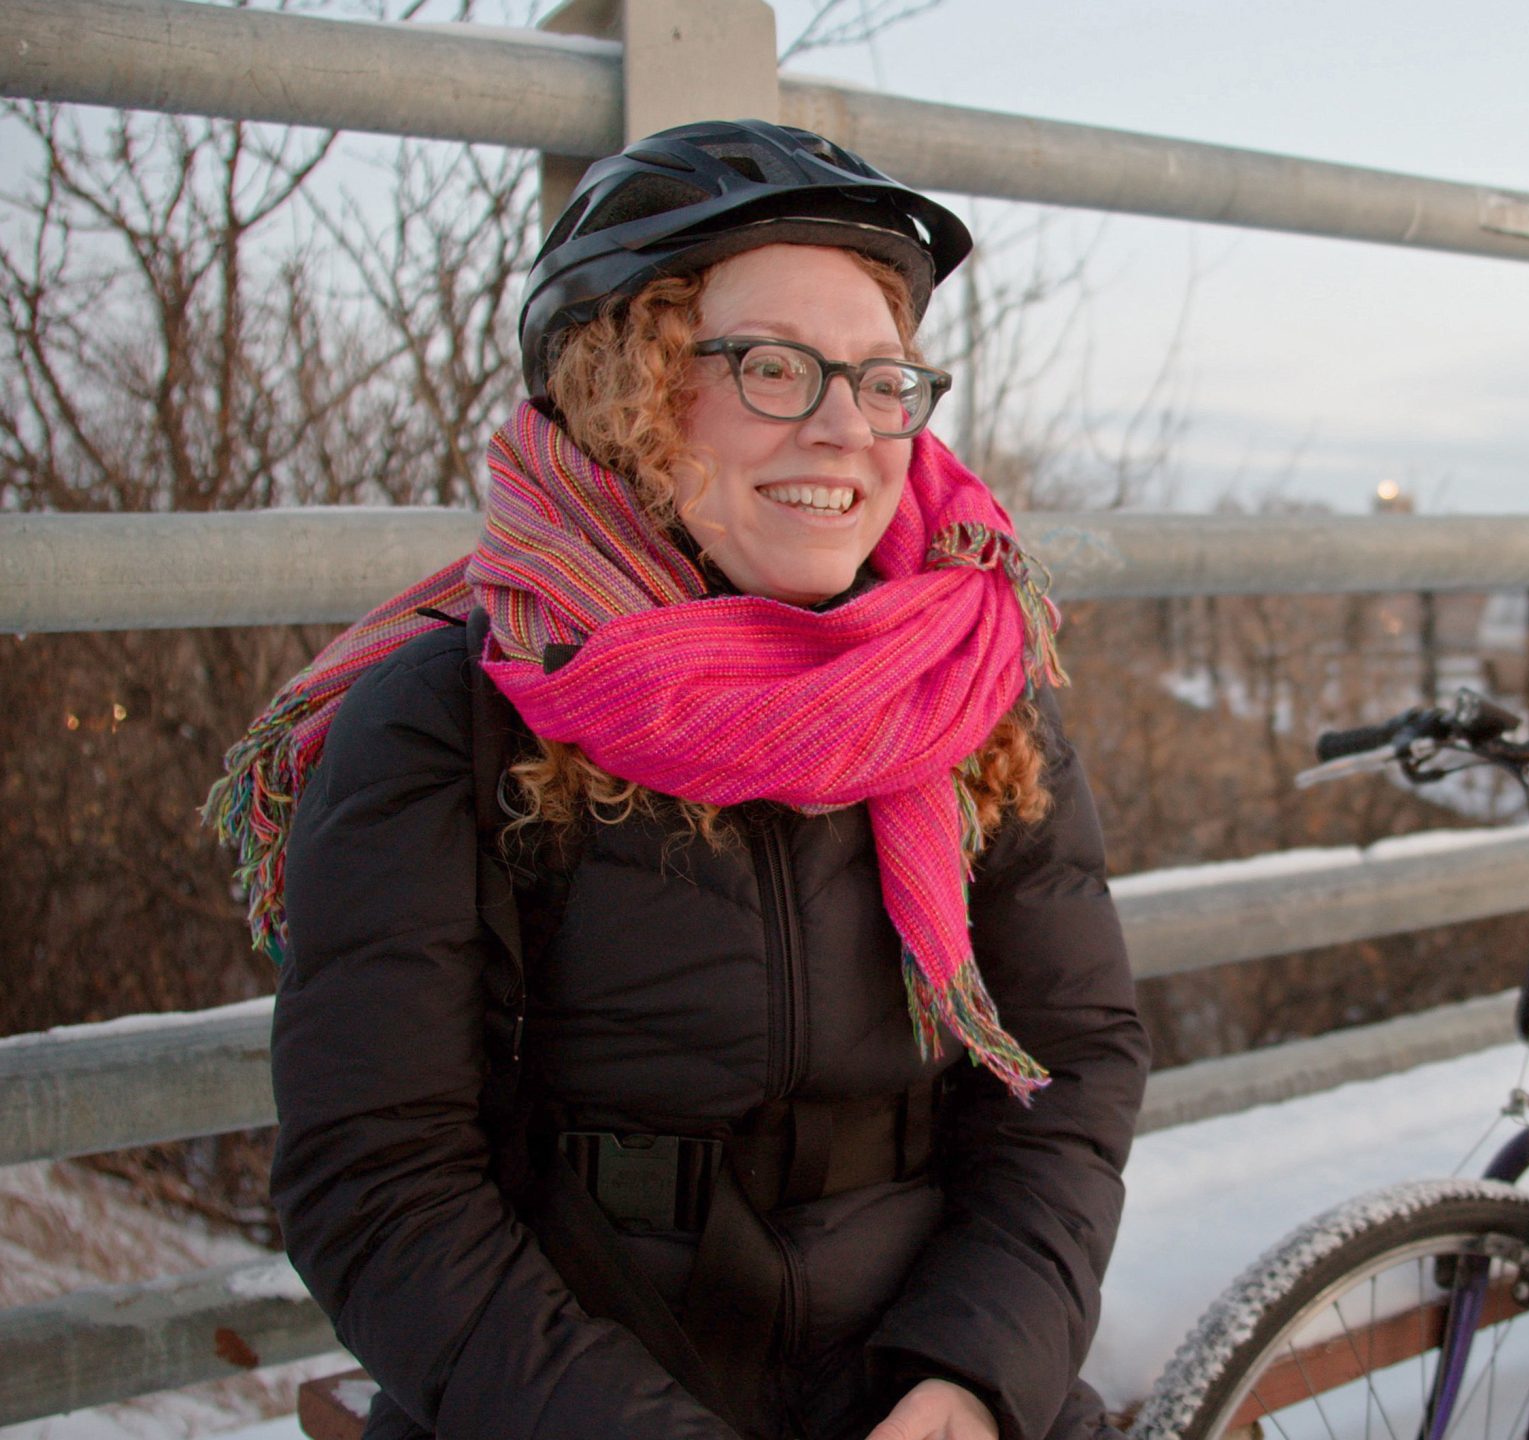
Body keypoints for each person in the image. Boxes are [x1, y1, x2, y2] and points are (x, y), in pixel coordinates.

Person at [205, 119, 1148, 1440]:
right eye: (774, 368)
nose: (844, 430)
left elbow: (1069, 1070)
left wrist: (972, 1381)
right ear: (628, 387)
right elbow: (383, 1178)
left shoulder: (969, 694)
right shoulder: (450, 718)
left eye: (882, 381)